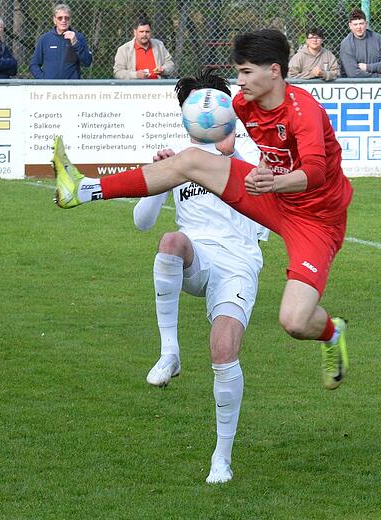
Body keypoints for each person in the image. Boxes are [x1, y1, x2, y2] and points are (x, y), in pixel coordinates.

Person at [52, 28, 351, 393]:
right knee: (190, 159)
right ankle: (83, 189)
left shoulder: (304, 112)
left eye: (246, 72)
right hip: (273, 196)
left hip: (316, 221)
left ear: (274, 71)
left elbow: (315, 173)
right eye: (238, 72)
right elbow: (240, 141)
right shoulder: (243, 105)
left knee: (294, 321)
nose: (240, 81)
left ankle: (333, 334)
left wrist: (272, 181)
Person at [134, 70, 269, 484]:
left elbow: (274, 193)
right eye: (196, 107)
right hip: (198, 257)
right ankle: (169, 353)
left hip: (239, 263)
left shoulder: (248, 148)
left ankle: (221, 459)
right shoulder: (178, 157)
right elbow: (142, 222)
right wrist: (158, 176)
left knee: (223, 350)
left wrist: (233, 155)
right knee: (170, 240)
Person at [29, 4, 93, 79]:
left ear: (70, 20)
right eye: (60, 18)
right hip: (50, 85)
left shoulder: (78, 37)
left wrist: (75, 43)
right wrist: (43, 79)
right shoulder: (45, 39)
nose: (63, 20)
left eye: (66, 18)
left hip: (71, 85)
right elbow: (34, 64)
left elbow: (87, 62)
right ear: (54, 20)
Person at [339, 9, 381, 78]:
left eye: (361, 23)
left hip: (378, 83)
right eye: (355, 24)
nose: (358, 27)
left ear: (366, 23)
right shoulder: (346, 44)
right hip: (354, 83)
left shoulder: (378, 38)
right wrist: (378, 76)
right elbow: (353, 73)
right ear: (350, 26)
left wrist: (368, 67)